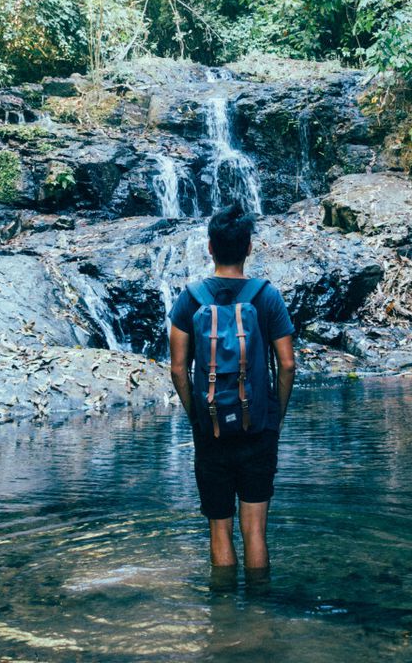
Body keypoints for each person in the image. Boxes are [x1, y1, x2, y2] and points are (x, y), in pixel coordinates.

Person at [168, 204, 296, 580]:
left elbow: (178, 369)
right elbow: (287, 364)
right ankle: (259, 613)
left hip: (211, 431)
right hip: (258, 428)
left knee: (219, 528)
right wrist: (274, 415)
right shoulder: (266, 297)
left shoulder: (189, 299)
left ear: (209, 247)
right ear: (249, 248)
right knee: (254, 530)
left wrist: (197, 417)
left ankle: (223, 619)